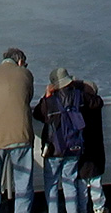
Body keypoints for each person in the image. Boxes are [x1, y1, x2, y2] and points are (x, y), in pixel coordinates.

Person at [33, 68, 103, 213]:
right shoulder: (79, 96)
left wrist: (46, 96)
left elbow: (38, 114)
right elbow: (97, 102)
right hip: (74, 146)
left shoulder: (50, 100)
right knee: (69, 182)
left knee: (51, 184)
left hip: (53, 149)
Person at [0, 47, 36, 213]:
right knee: (23, 182)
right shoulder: (25, 74)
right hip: (21, 135)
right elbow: (28, 97)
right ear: (20, 61)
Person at [75, 78, 108, 213]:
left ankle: (82, 208)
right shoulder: (96, 103)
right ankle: (99, 208)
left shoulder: (77, 103)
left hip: (81, 149)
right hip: (96, 149)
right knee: (96, 181)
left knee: (81, 183)